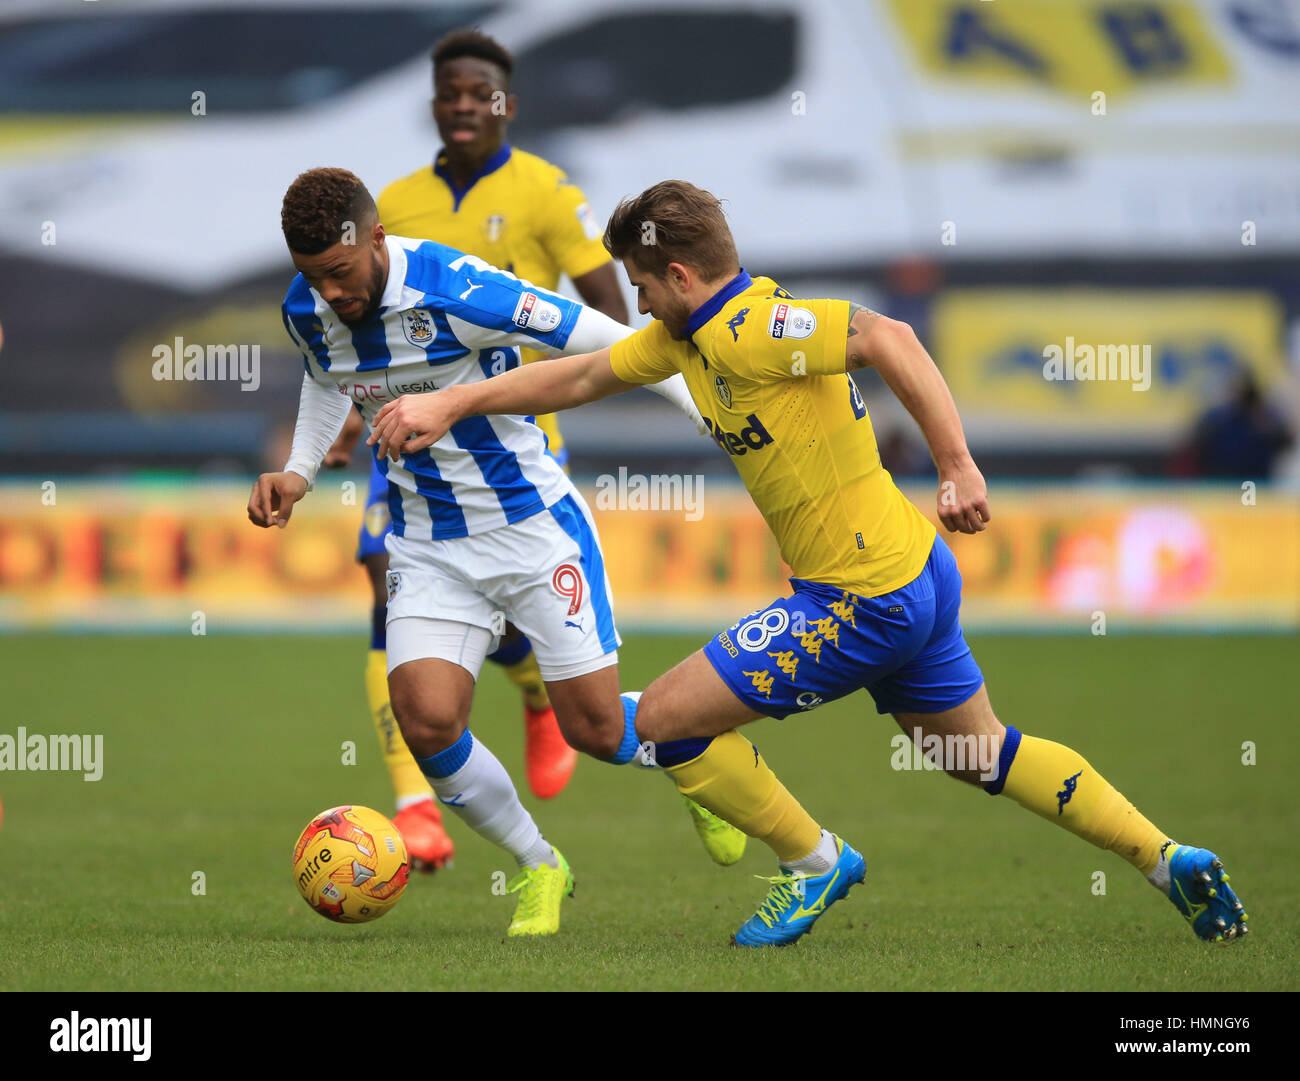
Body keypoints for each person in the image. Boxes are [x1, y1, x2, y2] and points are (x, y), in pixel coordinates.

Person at [369, 179, 1250, 946]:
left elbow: (891, 337)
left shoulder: (755, 326)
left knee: (671, 723)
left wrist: (958, 465)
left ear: (680, 276)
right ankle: (1165, 859)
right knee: (981, 752)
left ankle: (814, 861)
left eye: (641, 286)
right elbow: (574, 378)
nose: (636, 305)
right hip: (914, 574)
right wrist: (453, 400)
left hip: (861, 597)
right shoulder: (685, 339)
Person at [249, 168, 739, 936]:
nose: (330, 294)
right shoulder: (307, 308)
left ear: (375, 239)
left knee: (600, 730)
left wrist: (697, 402)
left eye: (341, 274)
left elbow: (598, 335)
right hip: (428, 545)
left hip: (532, 530)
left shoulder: (457, 287)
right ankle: (539, 863)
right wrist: (298, 471)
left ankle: (689, 752)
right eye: (312, 277)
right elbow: (326, 379)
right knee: (428, 718)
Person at [336, 30, 636, 870]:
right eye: (449, 94)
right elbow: (359, 324)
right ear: (433, 103)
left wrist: (620, 366)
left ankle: (539, 691)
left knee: (503, 605)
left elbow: (602, 299)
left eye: (481, 94)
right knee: (382, 579)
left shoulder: (544, 189)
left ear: (508, 102)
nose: (464, 106)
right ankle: (413, 801)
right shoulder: (393, 202)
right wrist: (352, 413)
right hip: (407, 444)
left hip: (511, 438)